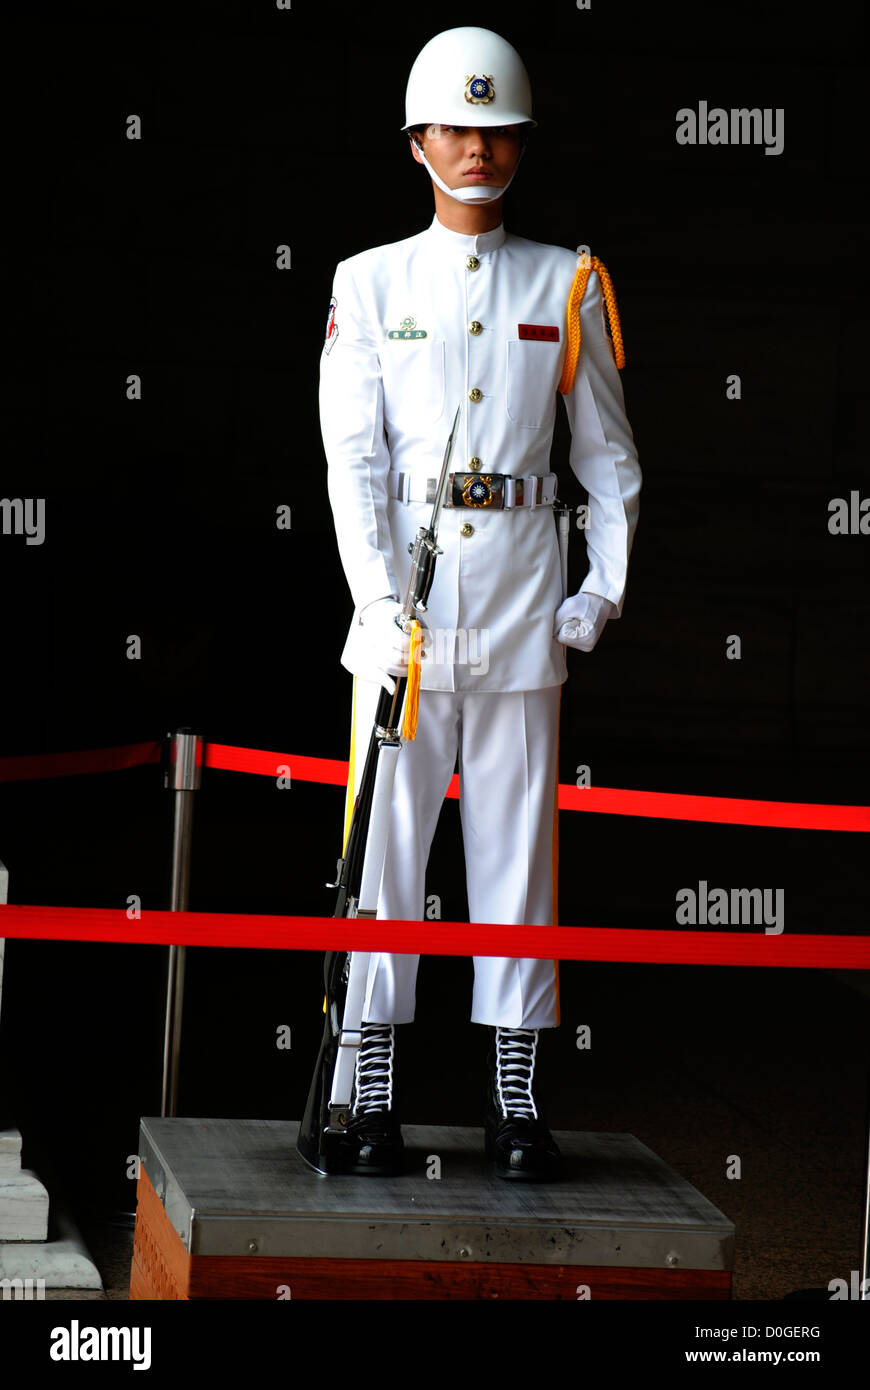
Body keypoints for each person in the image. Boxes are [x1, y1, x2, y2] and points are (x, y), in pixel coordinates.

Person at [319, 26, 641, 1178]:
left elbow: (607, 459)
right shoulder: (369, 281)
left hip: (517, 605)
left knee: (518, 853)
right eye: (456, 127)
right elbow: (352, 464)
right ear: (417, 140)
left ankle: (515, 1096)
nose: (478, 147)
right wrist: (372, 605)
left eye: (497, 129)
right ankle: (370, 1096)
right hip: (403, 614)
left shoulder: (569, 280)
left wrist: (598, 591)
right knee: (387, 854)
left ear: (520, 144)